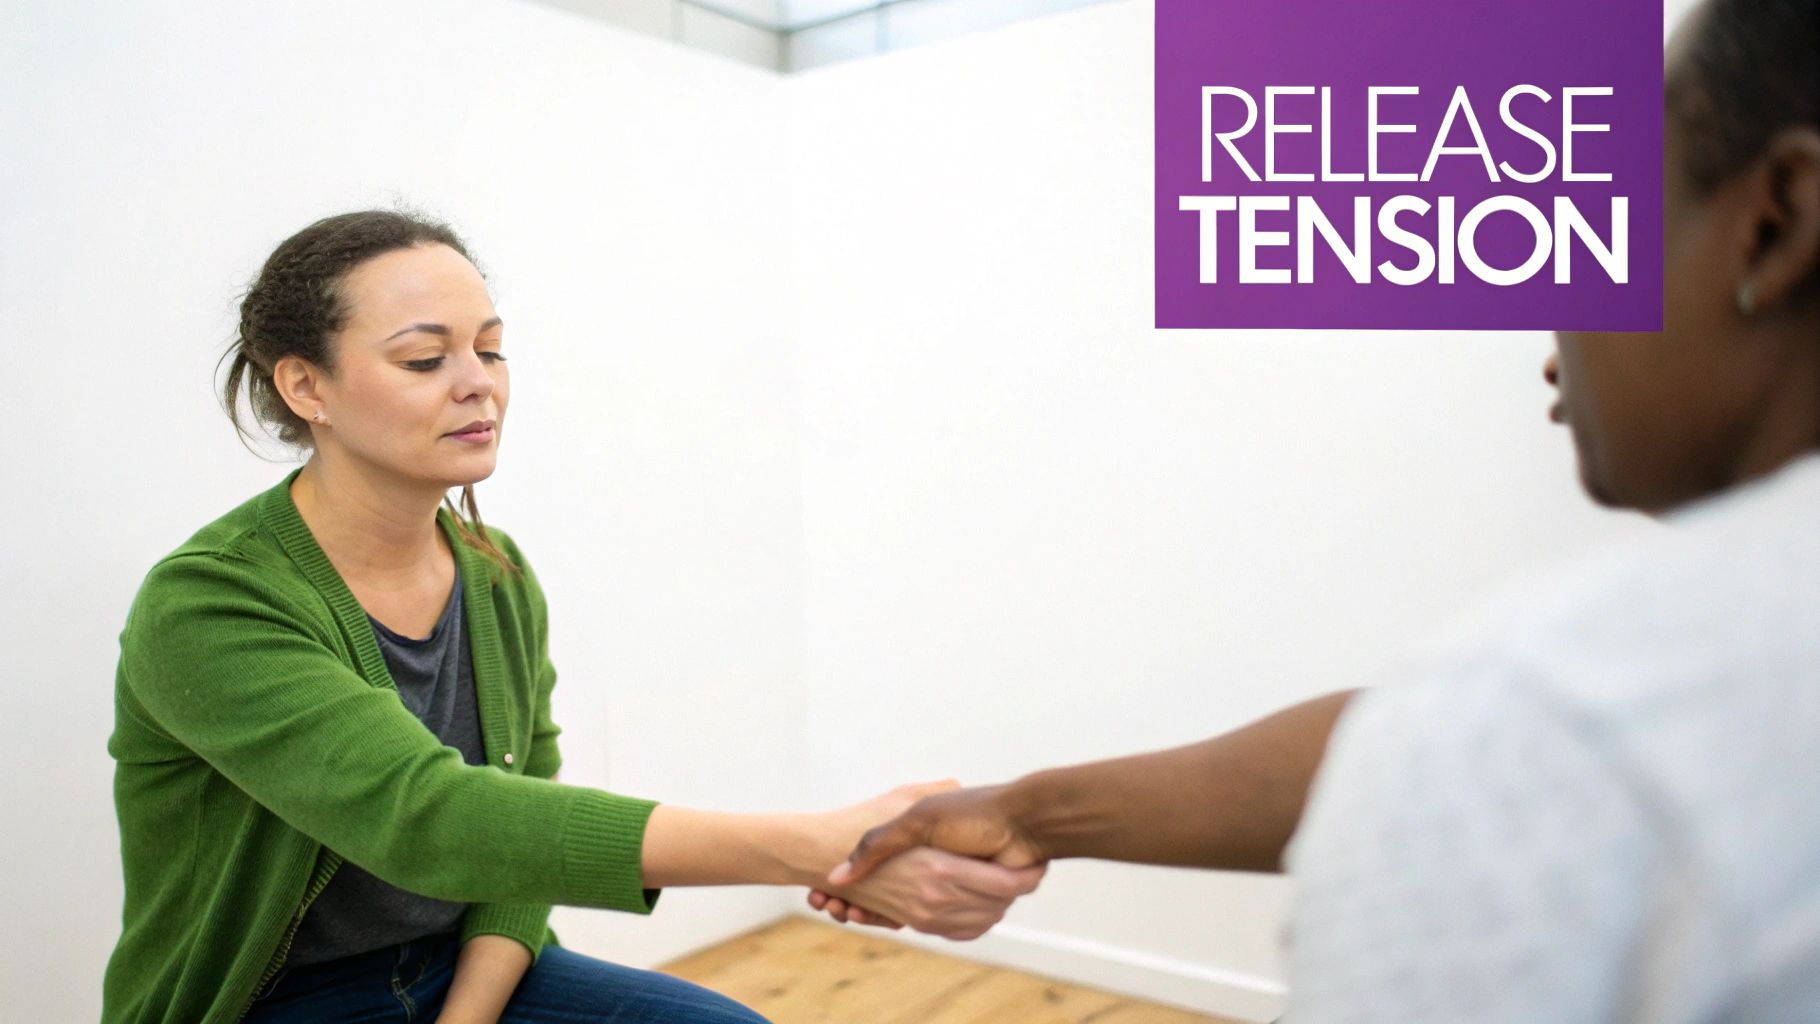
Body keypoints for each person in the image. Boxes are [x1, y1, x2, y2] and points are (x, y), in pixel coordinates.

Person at [821, 0, 1820, 1019]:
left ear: (1774, 221)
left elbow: (1484, 743)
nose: (1558, 334)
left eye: (1613, 227)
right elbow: (1405, 746)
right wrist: (1028, 811)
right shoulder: (1573, 714)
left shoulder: (1533, 716)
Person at [103, 210, 1045, 1024]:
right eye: (426, 358)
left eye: (491, 347)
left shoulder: (497, 575)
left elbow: (523, 818)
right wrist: (816, 843)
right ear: (307, 387)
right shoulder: (211, 602)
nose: (478, 382)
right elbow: (430, 819)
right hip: (271, 1003)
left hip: (460, 976)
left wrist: (467, 1017)